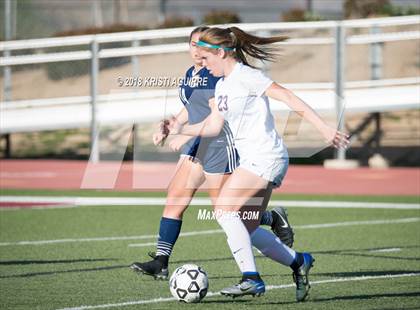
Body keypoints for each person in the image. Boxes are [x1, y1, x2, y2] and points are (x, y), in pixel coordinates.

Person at [167, 26, 349, 301]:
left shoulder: (247, 76)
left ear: (220, 52)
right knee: (247, 226)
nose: (202, 64)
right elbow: (214, 124)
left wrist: (323, 129)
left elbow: (287, 96)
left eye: (206, 58)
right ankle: (299, 262)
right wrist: (180, 130)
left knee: (224, 210)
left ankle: (250, 278)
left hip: (266, 156)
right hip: (254, 161)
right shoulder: (224, 84)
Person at [130, 26, 295, 281]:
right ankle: (161, 262)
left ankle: (271, 219)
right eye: (193, 44)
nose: (197, 50)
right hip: (197, 142)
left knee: (226, 211)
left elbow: (216, 116)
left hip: (218, 144)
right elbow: (190, 107)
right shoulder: (191, 74)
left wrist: (186, 133)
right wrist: (173, 125)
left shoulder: (216, 74)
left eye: (201, 45)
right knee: (175, 196)